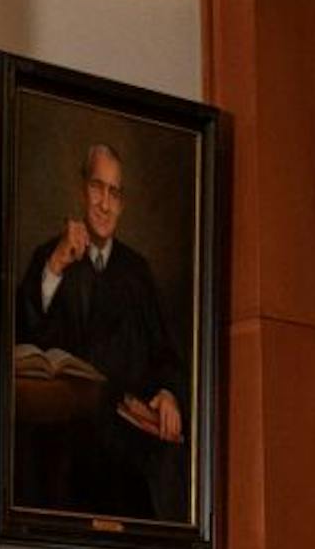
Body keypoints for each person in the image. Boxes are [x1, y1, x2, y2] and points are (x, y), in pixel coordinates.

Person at [13, 143, 189, 520]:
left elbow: (166, 355)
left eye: (114, 193)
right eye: (97, 188)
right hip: (63, 454)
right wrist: (56, 267)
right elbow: (23, 333)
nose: (105, 204)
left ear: (122, 203)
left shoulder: (137, 272)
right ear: (82, 190)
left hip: (123, 454)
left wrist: (169, 393)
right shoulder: (50, 257)